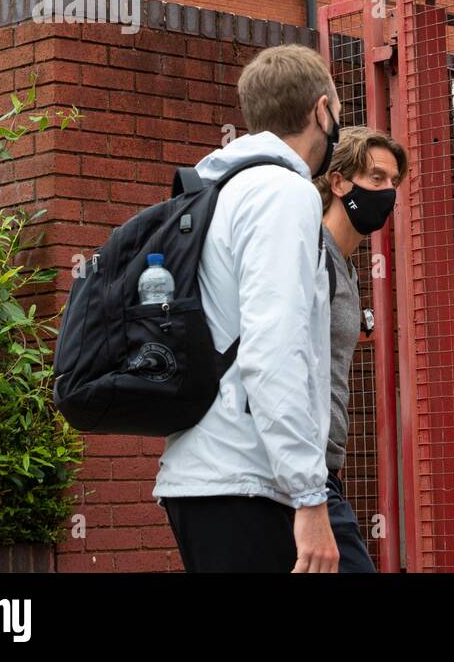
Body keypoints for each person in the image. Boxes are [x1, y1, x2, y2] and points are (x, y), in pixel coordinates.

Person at [154, 44, 343, 573]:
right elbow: (273, 350)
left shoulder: (222, 189)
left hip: (206, 472)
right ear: (321, 110)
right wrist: (310, 497)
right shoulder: (284, 193)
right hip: (248, 482)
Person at [313, 126, 409, 573]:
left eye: (393, 182)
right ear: (338, 182)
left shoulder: (346, 269)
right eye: (375, 178)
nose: (388, 192)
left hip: (322, 471)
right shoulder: (311, 259)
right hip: (302, 474)